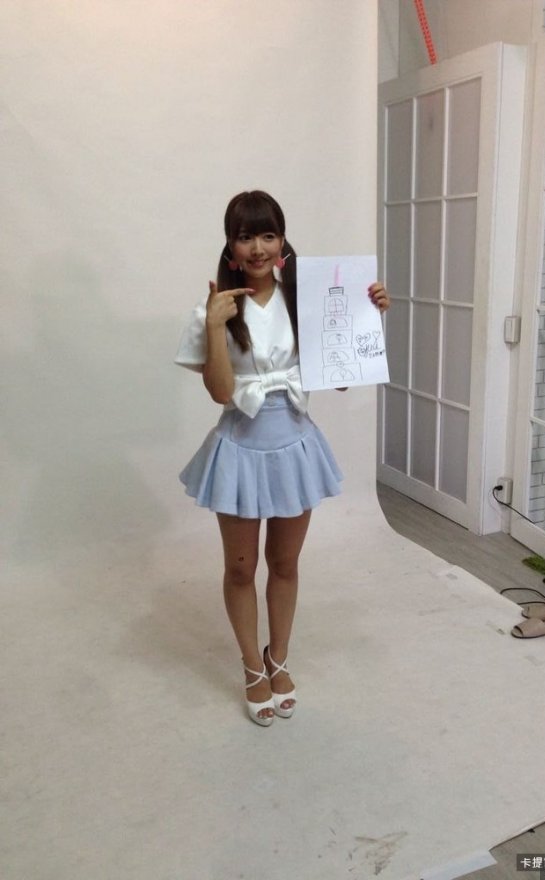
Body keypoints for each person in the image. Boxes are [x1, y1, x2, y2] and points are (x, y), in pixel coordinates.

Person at [175, 190, 390, 726]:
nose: (258, 248)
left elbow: (339, 380)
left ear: (283, 242)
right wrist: (214, 327)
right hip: (239, 449)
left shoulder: (307, 300)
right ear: (230, 247)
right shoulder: (215, 309)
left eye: (268, 235)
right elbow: (221, 393)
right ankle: (253, 667)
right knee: (240, 567)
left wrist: (367, 316)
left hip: (295, 444)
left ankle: (280, 658)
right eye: (245, 236)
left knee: (286, 564)